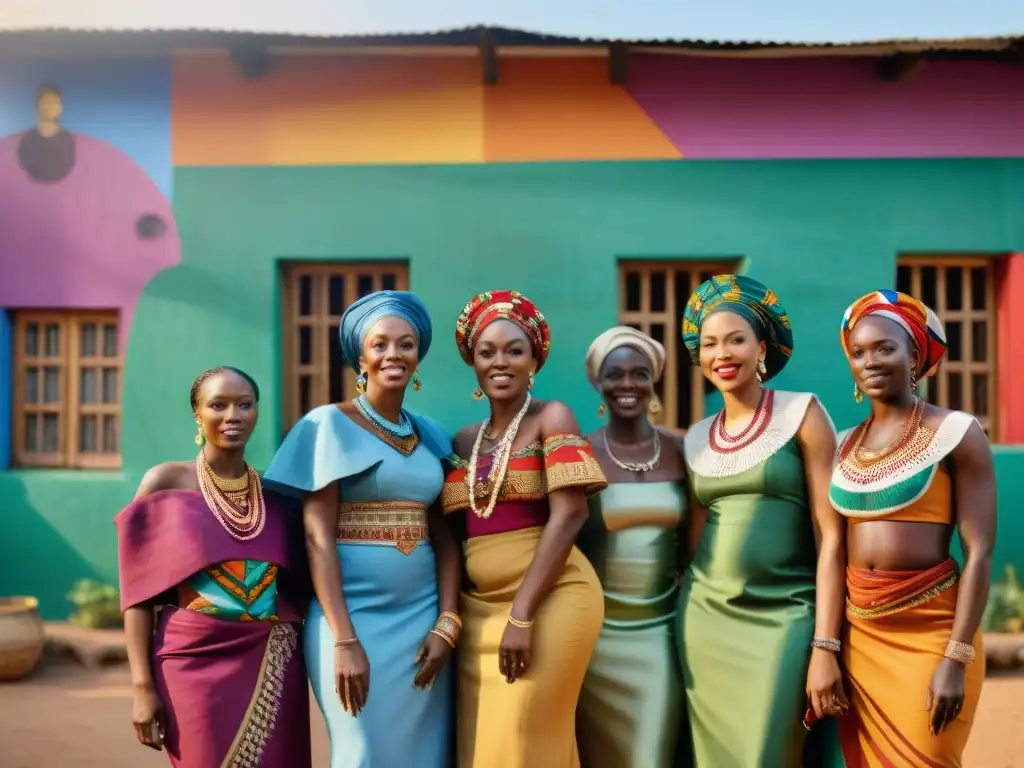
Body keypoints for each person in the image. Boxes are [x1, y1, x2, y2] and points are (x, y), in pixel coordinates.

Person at [263, 290, 458, 768]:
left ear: (419, 356)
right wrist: (344, 641)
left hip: (423, 621)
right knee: (362, 751)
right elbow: (317, 538)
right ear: (361, 357)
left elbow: (448, 538)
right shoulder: (327, 425)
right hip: (351, 622)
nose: (394, 354)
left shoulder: (432, 433)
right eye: (380, 344)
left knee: (426, 755)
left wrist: (447, 624)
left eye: (406, 344)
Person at [678, 274, 847, 767]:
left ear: (762, 348)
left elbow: (831, 536)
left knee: (768, 755)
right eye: (709, 344)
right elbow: (693, 544)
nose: (722, 354)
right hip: (705, 623)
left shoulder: (803, 414)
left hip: (786, 621)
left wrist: (825, 643)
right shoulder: (695, 438)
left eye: (736, 339)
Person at [441, 289, 607, 767]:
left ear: (534, 358)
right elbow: (454, 533)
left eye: (514, 350)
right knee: (488, 747)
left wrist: (522, 613)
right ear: (472, 362)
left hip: (550, 597)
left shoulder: (550, 417)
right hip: (481, 612)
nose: (500, 362)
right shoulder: (465, 440)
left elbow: (572, 513)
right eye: (486, 352)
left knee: (523, 735)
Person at [116, 366, 312, 767]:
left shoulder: (278, 498)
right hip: (191, 663)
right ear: (197, 414)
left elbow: (299, 586)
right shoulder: (165, 482)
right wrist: (141, 687)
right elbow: (137, 594)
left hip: (270, 662)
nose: (233, 415)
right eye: (218, 405)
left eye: (245, 404)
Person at [831, 290, 995, 766]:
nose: (871, 361)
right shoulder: (842, 446)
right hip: (860, 640)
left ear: (915, 356)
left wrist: (955, 657)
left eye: (886, 348)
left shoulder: (956, 434)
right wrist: (828, 647)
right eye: (858, 353)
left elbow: (979, 553)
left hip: (932, 633)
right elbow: (832, 552)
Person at [575, 326, 690, 768]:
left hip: (660, 633)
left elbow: (696, 540)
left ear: (654, 381)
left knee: (651, 754)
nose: (627, 384)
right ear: (598, 385)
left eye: (639, 374)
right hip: (595, 638)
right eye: (615, 375)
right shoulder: (580, 453)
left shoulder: (680, 450)